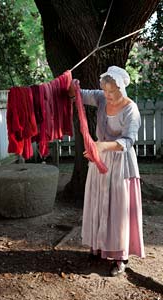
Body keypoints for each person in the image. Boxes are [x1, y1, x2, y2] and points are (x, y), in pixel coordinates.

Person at [68, 66, 145, 277]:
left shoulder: (131, 109)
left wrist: (101, 146)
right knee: (98, 203)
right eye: (106, 91)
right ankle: (98, 247)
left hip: (121, 164)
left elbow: (128, 141)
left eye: (113, 91)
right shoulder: (101, 98)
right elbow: (77, 94)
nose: (108, 95)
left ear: (121, 88)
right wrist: (68, 81)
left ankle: (121, 257)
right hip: (99, 161)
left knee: (118, 209)